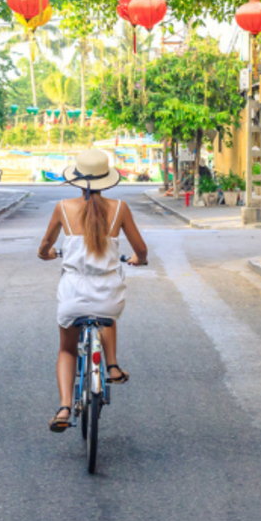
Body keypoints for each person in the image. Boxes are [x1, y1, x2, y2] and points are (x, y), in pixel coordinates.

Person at [36, 149, 148, 433]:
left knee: (67, 348)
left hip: (73, 294)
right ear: (106, 179)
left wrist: (48, 253)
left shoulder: (62, 207)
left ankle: (64, 406)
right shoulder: (120, 208)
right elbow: (141, 250)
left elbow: (44, 247)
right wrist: (139, 260)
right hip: (109, 293)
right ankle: (112, 366)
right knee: (106, 315)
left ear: (76, 179)